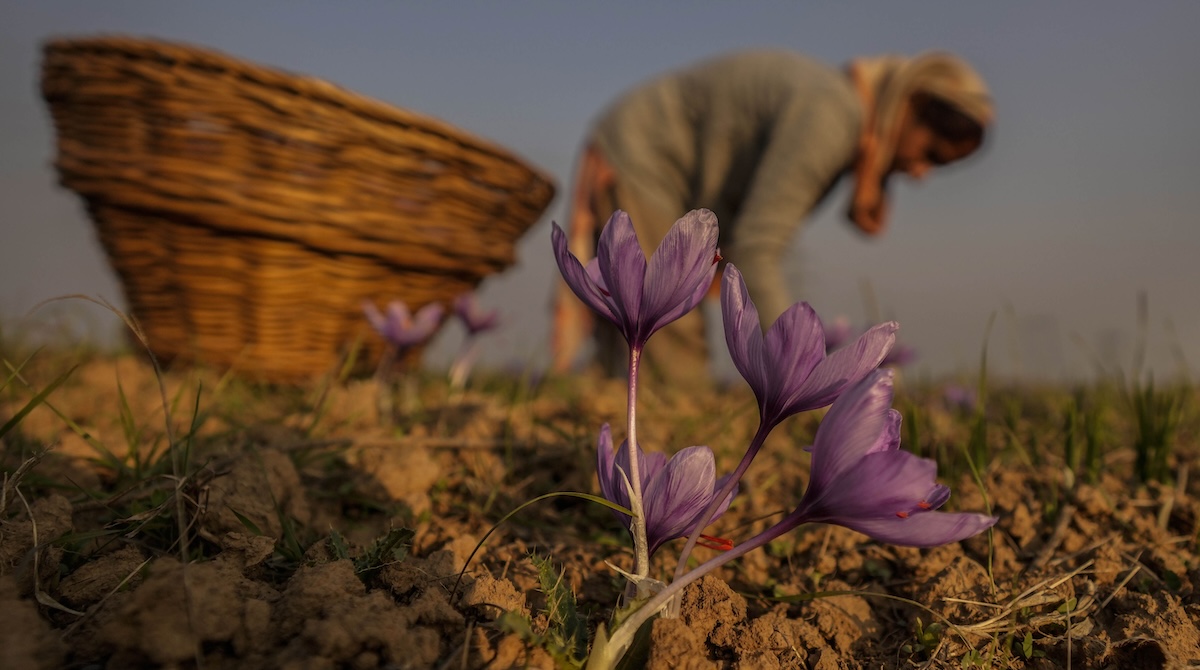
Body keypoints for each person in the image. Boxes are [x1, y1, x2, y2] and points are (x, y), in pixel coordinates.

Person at [551, 49, 993, 383]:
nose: (919, 173)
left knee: (633, 356)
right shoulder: (832, 119)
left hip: (645, 157)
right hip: (645, 158)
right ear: (909, 106)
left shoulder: (844, 114)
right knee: (669, 357)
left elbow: (755, 241)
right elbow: (756, 247)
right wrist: (804, 382)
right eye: (930, 154)